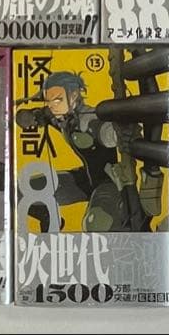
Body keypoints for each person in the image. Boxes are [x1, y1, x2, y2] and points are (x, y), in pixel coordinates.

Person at [15, 72, 129, 232]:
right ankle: (48, 217)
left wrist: (119, 133)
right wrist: (28, 115)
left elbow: (107, 133)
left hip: (108, 183)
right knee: (20, 191)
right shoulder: (59, 114)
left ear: (74, 95)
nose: (52, 106)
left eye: (57, 100)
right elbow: (33, 115)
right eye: (48, 101)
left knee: (96, 224)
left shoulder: (89, 119)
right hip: (83, 181)